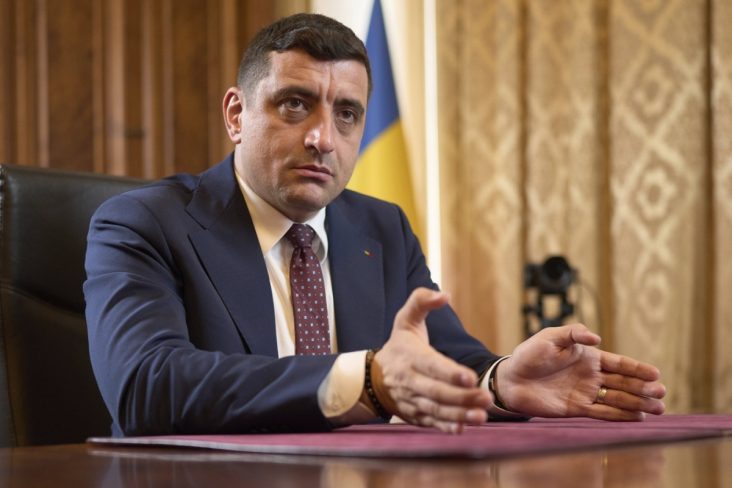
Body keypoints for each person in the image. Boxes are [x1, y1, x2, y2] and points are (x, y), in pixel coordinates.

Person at [84, 13, 665, 437]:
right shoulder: (143, 224)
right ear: (237, 115)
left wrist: (501, 380)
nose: (322, 138)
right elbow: (145, 385)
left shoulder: (381, 228)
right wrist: (364, 380)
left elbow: (445, 359)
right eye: (295, 104)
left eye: (346, 114)